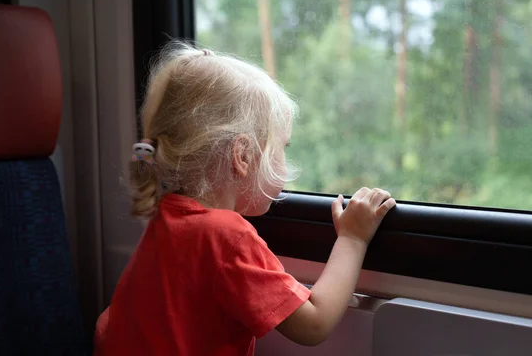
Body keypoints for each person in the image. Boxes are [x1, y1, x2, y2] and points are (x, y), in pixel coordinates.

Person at [94, 41, 396, 355]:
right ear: (243, 156)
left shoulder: (166, 217)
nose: (285, 164)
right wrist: (353, 238)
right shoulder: (226, 235)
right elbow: (313, 324)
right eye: (282, 148)